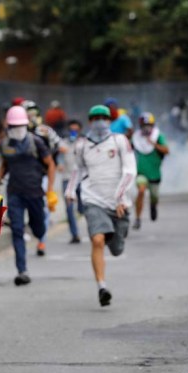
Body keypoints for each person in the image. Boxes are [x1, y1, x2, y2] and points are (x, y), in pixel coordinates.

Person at [66, 105, 136, 307]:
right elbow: (78, 169)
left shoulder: (120, 140)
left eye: (103, 118)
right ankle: (102, 287)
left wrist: (121, 197)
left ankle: (118, 233)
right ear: (90, 121)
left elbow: (130, 171)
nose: (99, 121)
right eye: (95, 117)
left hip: (118, 203)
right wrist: (71, 191)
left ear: (109, 120)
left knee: (116, 250)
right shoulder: (81, 145)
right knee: (97, 240)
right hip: (92, 199)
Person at [0, 106, 57, 285]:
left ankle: (38, 230)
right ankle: (22, 270)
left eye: (20, 125)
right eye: (13, 126)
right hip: (15, 193)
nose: (17, 129)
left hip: (35, 192)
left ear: (26, 124)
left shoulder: (36, 142)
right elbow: (4, 166)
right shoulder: (6, 145)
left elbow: (51, 164)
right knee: (17, 230)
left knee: (39, 228)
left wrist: (50, 189)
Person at [23, 100, 62, 256]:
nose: (31, 116)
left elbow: (56, 146)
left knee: (44, 209)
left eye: (33, 112)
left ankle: (42, 241)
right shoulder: (16, 132)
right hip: (22, 177)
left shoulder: (45, 131)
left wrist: (54, 163)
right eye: (27, 112)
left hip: (42, 175)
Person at [131, 112, 169, 230]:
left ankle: (153, 205)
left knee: (154, 196)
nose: (146, 128)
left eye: (149, 125)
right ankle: (137, 218)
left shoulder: (158, 136)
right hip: (141, 172)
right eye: (144, 125)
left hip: (154, 174)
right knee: (141, 191)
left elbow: (166, 150)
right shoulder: (136, 138)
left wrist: (154, 144)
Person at [61, 119, 84, 244]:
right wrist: (58, 163)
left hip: (81, 180)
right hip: (67, 178)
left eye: (76, 130)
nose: (73, 132)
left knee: (82, 208)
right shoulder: (63, 143)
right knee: (69, 208)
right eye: (71, 130)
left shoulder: (85, 143)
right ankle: (75, 234)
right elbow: (53, 156)